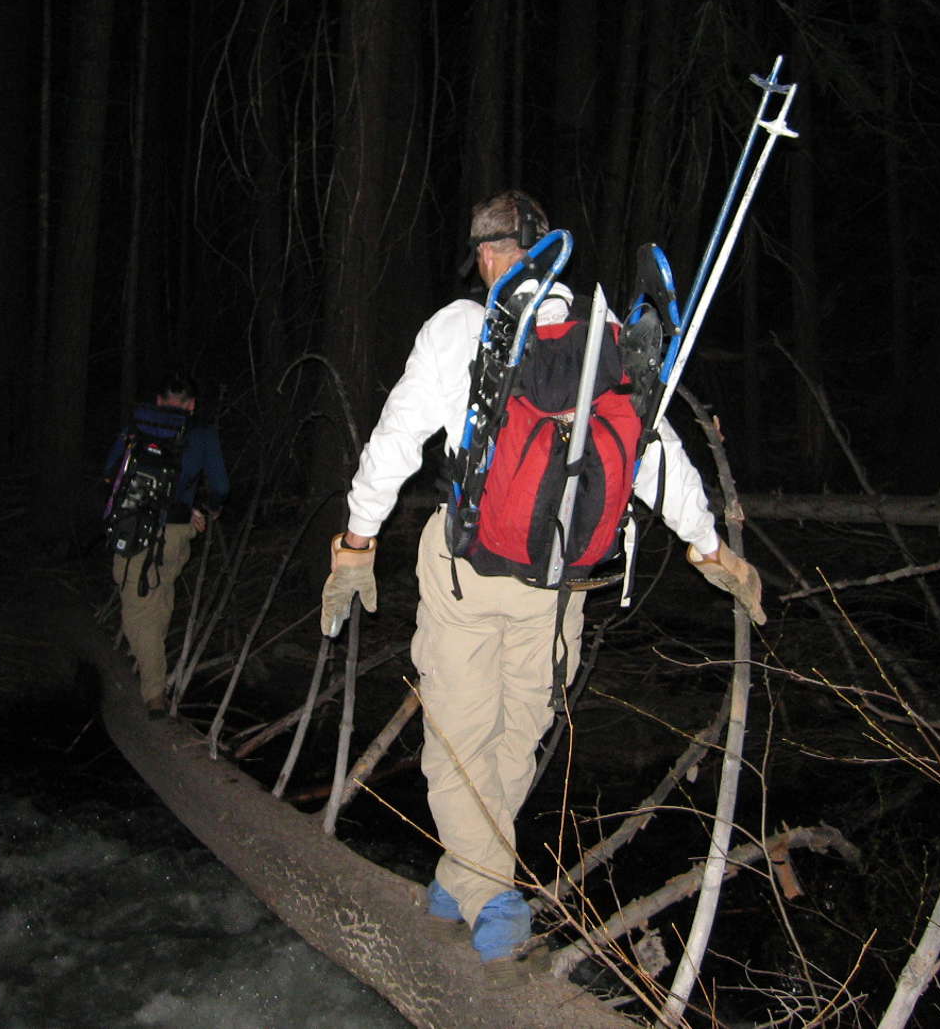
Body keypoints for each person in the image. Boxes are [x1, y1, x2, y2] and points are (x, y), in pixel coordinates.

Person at [319, 191, 763, 981]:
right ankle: (469, 872)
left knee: (458, 741)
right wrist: (710, 548)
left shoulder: (461, 327)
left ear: (491, 256)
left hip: (466, 569)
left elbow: (394, 441)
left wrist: (356, 544)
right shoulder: (605, 336)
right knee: (517, 733)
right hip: (561, 584)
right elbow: (654, 452)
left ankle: (489, 892)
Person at [103, 374, 229, 719]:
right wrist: (206, 508)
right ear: (192, 405)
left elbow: (110, 471)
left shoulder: (136, 427)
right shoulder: (202, 433)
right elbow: (220, 486)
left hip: (133, 528)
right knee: (159, 595)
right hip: (177, 531)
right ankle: (151, 663)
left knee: (137, 607)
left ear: (158, 401)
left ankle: (154, 692)